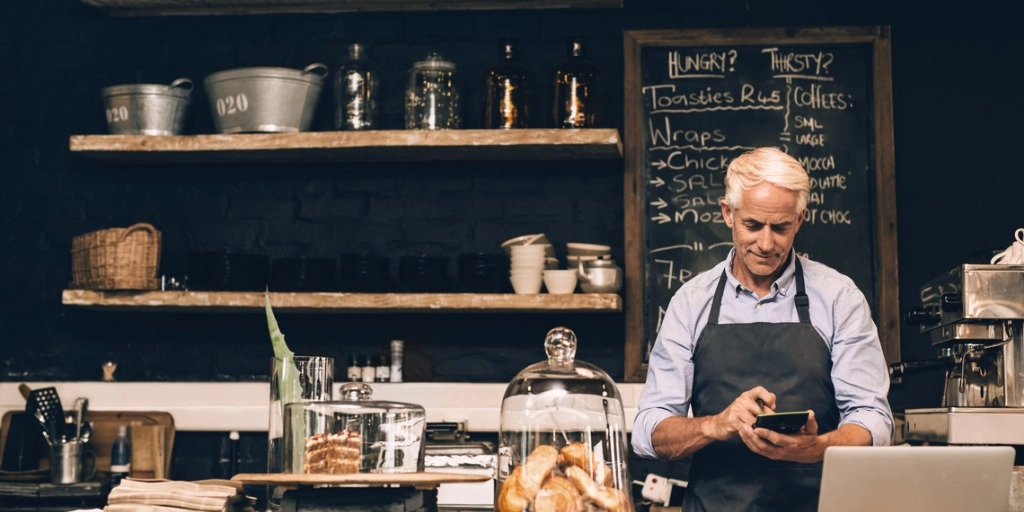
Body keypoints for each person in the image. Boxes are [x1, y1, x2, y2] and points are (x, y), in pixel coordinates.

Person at [631, 147, 894, 512]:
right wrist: (715, 425)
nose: (766, 244)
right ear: (728, 213)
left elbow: (873, 417)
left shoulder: (839, 297)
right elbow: (649, 430)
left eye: (781, 227)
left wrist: (816, 449)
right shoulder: (691, 302)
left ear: (799, 220)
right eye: (753, 225)